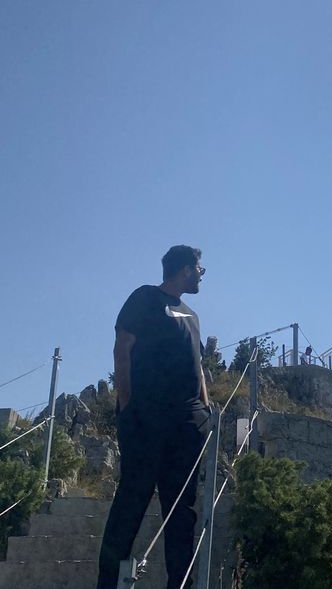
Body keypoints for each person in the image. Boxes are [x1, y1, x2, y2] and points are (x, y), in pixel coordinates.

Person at [97, 245, 210, 589]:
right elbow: (122, 350)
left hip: (187, 426)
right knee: (130, 504)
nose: (203, 274)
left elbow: (198, 367)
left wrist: (205, 409)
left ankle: (181, 585)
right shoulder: (144, 299)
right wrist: (127, 404)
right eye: (199, 268)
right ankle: (107, 584)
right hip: (146, 420)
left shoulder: (192, 315)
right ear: (185, 270)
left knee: (181, 513)